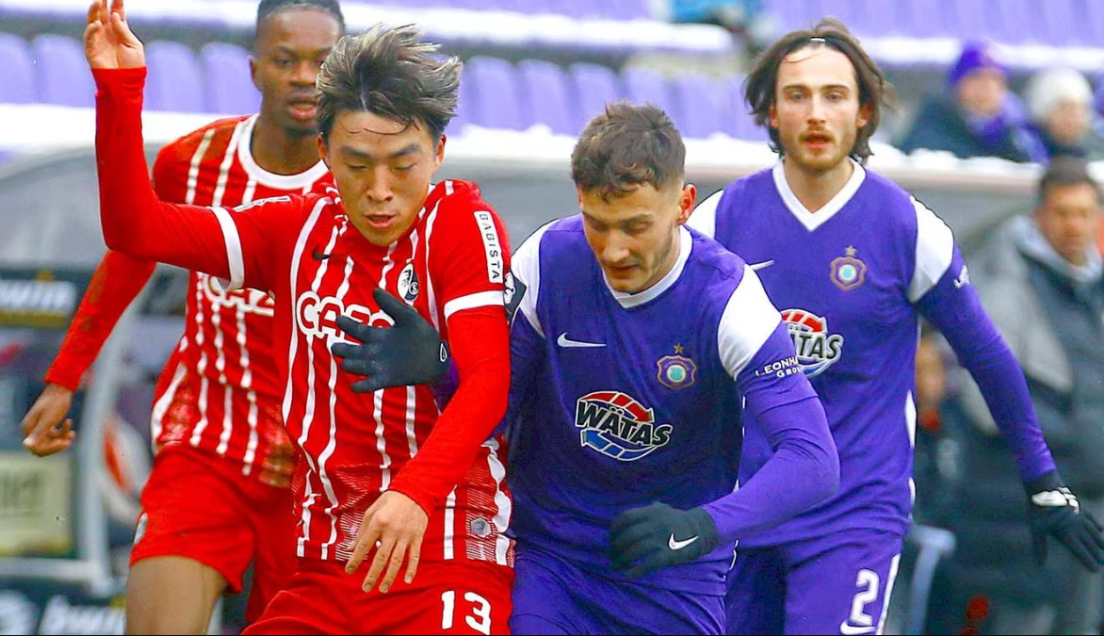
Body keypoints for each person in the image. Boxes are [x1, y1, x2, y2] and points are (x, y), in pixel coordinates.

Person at [85, 0, 515, 635]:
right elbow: (134, 230)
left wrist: (412, 492)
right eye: (357, 163)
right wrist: (120, 96)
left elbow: (488, 381)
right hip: (328, 564)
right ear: (325, 155)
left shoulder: (458, 219)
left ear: (438, 153)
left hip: (447, 547)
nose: (379, 191)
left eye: (403, 164)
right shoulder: (294, 229)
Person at [336, 101, 842, 635]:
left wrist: (701, 526)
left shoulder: (728, 301)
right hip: (553, 561)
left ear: (683, 204)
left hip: (672, 574)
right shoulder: (547, 262)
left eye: (635, 226)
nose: (615, 249)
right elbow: (496, 408)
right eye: (597, 224)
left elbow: (813, 461)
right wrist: (441, 366)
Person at [686, 18, 1104, 634]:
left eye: (835, 95)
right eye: (798, 95)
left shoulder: (907, 228)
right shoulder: (721, 222)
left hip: (855, 513)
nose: (817, 112)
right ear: (771, 112)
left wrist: (1040, 478)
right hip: (744, 509)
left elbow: (987, 356)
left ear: (863, 114)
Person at [20, 0, 345, 633]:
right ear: (255, 67)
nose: (305, 77)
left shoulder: (361, 180)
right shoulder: (194, 162)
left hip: (313, 471)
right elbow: (130, 253)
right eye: (286, 59)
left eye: (323, 61)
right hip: (208, 446)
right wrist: (65, 375)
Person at [928, 156, 1104, 634]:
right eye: (1064, 212)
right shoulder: (1004, 286)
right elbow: (985, 400)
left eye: (1085, 213)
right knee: (1022, 623)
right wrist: (1078, 436)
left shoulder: (1093, 288)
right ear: (1039, 216)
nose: (1075, 225)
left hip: (1088, 502)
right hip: (1021, 503)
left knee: (1080, 624)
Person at [898, 40, 1045, 163]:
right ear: (958, 84)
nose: (987, 87)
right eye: (977, 78)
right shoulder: (935, 120)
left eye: (995, 80)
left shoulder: (1015, 130)